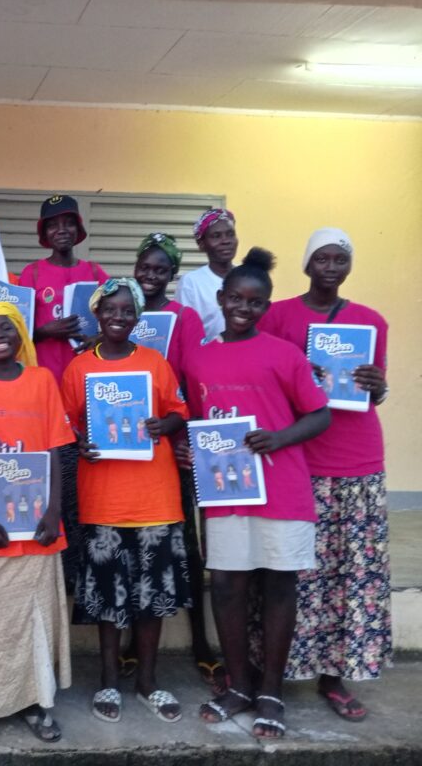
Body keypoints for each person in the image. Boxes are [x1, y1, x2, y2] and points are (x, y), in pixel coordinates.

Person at [184, 249, 331, 738]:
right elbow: (199, 421)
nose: (244, 308)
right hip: (226, 490)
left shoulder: (284, 354)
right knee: (227, 586)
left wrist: (279, 438)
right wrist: (191, 448)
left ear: (266, 307)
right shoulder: (199, 357)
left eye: (255, 302)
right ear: (221, 299)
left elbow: (320, 414)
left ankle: (270, 690)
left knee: (278, 586)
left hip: (282, 489)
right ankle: (239, 685)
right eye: (236, 299)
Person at [258, 228, 391, 721]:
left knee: (347, 575)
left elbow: (375, 393)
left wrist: (378, 386)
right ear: (307, 264)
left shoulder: (370, 321)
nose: (331, 268)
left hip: (357, 460)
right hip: (298, 458)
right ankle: (271, 671)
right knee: (289, 573)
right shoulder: (277, 316)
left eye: (340, 259)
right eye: (322, 259)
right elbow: (262, 375)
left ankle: (334, 678)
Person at [61, 278, 191, 724]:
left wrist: (163, 426)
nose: (118, 317)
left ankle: (148, 682)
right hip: (103, 501)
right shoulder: (79, 368)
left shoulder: (155, 362)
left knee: (152, 599)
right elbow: (66, 423)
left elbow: (179, 411)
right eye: (110, 310)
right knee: (108, 598)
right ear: (97, 313)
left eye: (127, 311)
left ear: (138, 317)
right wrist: (79, 441)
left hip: (156, 499)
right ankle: (109, 681)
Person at [0, 302, 75, 743]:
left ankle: (38, 705)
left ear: (21, 334)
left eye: (7, 328)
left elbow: (55, 449)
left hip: (39, 524)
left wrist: (54, 510)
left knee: (37, 618)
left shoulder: (42, 381)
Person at [125, 232, 222, 691]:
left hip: (172, 446)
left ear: (172, 274)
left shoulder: (183, 318)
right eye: (144, 267)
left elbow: (195, 379)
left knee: (185, 546)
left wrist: (191, 438)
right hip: (127, 445)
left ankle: (201, 643)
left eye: (160, 269)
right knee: (133, 544)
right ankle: (131, 643)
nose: (150, 275)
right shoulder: (121, 310)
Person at [19, 194, 109, 384]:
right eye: (52, 225)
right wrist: (45, 331)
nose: (61, 230)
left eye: (69, 223)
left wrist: (100, 338)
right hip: (44, 373)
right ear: (45, 232)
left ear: (78, 228)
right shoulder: (32, 273)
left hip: (87, 373)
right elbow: (19, 332)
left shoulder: (94, 272)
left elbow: (117, 317)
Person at [176, 209, 238, 340]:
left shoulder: (247, 276)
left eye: (230, 234)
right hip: (206, 351)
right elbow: (186, 331)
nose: (225, 241)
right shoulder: (191, 282)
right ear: (201, 245)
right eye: (216, 236)